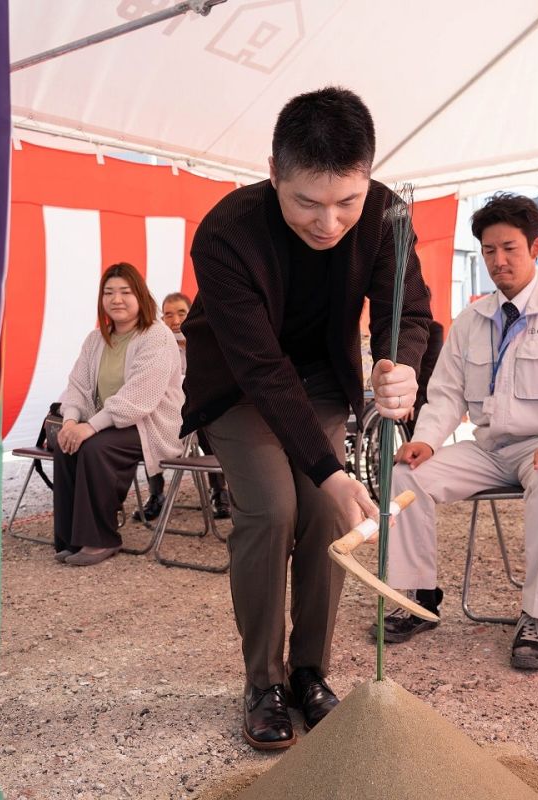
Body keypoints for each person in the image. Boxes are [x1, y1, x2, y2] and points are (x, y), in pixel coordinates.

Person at [180, 87, 432, 749]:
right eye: (306, 203)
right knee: (271, 508)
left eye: (346, 201)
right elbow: (261, 368)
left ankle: (308, 672)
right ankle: (261, 680)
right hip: (238, 383)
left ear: (368, 176)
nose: (328, 223)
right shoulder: (225, 234)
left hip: (320, 379)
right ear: (274, 173)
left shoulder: (389, 216)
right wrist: (328, 468)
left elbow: (407, 313)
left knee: (326, 513)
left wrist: (395, 364)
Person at [378, 193, 538, 671]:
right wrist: (426, 440)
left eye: (510, 248)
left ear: (536, 246)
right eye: (489, 251)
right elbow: (444, 393)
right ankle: (420, 595)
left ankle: (537, 617)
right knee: (406, 477)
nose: (499, 261)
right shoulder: (472, 320)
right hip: (488, 449)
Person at [52, 263, 184, 566]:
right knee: (67, 442)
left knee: (96, 447)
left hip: (153, 424)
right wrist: (71, 421)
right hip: (110, 422)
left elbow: (140, 396)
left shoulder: (156, 336)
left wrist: (90, 428)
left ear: (140, 295)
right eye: (109, 292)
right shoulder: (96, 339)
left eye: (125, 292)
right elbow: (78, 386)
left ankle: (101, 539)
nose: (116, 299)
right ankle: (72, 538)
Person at [146, 292, 231, 520]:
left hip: (197, 408)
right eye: (168, 315)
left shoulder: (207, 343)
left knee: (210, 422)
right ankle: (156, 494)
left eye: (181, 313)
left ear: (192, 314)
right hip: (169, 411)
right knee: (148, 424)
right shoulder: (155, 348)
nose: (175, 321)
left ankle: (219, 491)